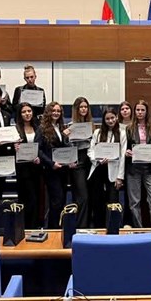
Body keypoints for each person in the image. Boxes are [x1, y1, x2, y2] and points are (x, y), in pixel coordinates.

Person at [38, 101, 77, 228]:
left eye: (58, 111)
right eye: (53, 110)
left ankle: (59, 228)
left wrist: (70, 161)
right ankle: (53, 228)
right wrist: (51, 163)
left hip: (62, 170)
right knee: (56, 200)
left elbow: (64, 148)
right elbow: (38, 150)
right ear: (48, 112)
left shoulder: (61, 127)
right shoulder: (42, 129)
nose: (56, 113)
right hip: (51, 170)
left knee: (62, 200)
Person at [88, 107, 127, 228]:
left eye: (112, 118)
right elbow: (90, 151)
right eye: (107, 119)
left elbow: (123, 156)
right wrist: (98, 159)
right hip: (98, 170)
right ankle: (99, 228)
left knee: (113, 202)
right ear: (104, 120)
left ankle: (113, 229)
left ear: (116, 117)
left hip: (114, 172)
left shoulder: (122, 133)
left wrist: (120, 177)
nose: (110, 121)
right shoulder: (97, 132)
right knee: (97, 202)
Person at [126, 100, 151, 228]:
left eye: (142, 110)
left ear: (147, 112)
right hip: (134, 169)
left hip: (150, 168)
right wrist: (127, 152)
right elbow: (126, 147)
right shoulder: (129, 128)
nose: (140, 112)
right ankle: (138, 230)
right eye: (137, 110)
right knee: (134, 203)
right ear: (134, 112)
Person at [63, 96, 92, 227]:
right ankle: (81, 227)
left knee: (90, 194)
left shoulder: (92, 125)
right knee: (82, 195)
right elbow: (65, 146)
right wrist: (66, 137)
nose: (83, 109)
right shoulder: (70, 126)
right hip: (77, 160)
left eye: (85, 107)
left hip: (90, 160)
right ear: (76, 109)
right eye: (81, 107)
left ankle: (88, 224)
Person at [12, 102, 42, 226]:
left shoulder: (38, 127)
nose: (27, 114)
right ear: (20, 114)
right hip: (22, 169)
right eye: (24, 112)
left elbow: (41, 146)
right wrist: (14, 147)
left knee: (36, 198)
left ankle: (34, 225)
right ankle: (26, 225)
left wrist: (39, 158)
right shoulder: (15, 129)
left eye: (29, 111)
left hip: (36, 167)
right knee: (27, 198)